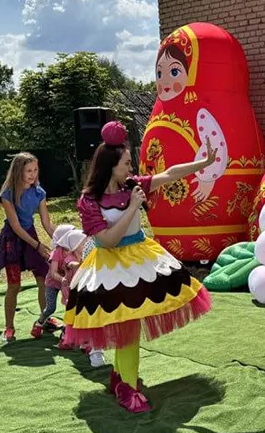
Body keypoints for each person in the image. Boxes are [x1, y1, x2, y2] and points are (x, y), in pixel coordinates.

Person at [62, 121, 213, 413]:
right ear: (111, 165)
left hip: (141, 260)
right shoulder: (90, 199)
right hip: (111, 266)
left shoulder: (132, 185)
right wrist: (132, 207)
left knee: (128, 326)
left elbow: (169, 175)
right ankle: (127, 388)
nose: (132, 167)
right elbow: (106, 241)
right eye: (127, 162)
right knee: (126, 327)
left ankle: (121, 378)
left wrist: (204, 161)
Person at [0, 152, 56, 342]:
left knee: (44, 279)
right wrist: (37, 245)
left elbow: (47, 222)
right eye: (28, 170)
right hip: (12, 239)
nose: (32, 174)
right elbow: (16, 226)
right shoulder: (7, 195)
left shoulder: (39, 192)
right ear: (18, 171)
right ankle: (9, 327)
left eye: (35, 170)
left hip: (31, 236)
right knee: (14, 284)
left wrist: (62, 241)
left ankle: (45, 319)